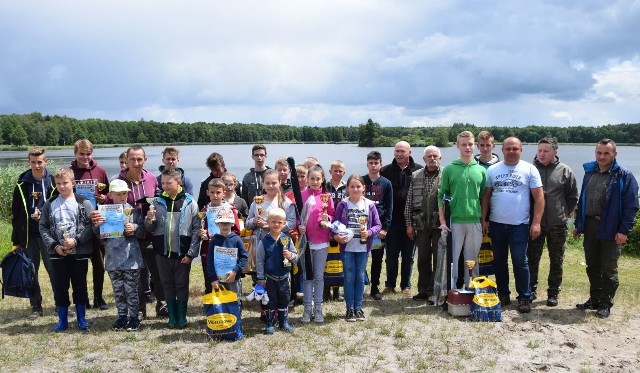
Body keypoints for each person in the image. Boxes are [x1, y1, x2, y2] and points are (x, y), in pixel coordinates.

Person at [573, 138, 638, 318]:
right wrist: (579, 224)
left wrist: (624, 230)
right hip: (591, 224)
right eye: (599, 153)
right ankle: (594, 299)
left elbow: (631, 206)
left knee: (609, 269)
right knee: (592, 265)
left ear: (615, 154)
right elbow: (583, 200)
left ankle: (605, 303)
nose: (602, 156)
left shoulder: (624, 176)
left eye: (606, 153)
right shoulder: (589, 172)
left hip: (611, 226)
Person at [481, 137, 544, 314]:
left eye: (515, 149)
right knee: (499, 261)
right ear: (502, 150)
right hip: (496, 224)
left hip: (519, 225)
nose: (511, 152)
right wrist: (483, 219)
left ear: (521, 150)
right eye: (508, 148)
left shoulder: (530, 169)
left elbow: (539, 197)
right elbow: (486, 196)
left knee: (519, 260)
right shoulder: (493, 170)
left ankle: (524, 297)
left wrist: (536, 222)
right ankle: (503, 294)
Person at [39, 167, 95, 332]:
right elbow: (43, 227)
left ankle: (81, 318)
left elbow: (91, 226)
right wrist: (54, 246)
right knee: (60, 286)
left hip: (79, 252)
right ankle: (62, 320)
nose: (62, 186)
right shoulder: (50, 204)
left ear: (73, 183)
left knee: (80, 285)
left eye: (65, 183)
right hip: (57, 253)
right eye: (58, 183)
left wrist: (77, 240)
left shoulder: (83, 202)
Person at [145, 167, 201, 329]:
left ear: (179, 182)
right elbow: (149, 228)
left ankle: (181, 316)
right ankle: (172, 316)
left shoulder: (190, 202)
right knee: (166, 284)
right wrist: (149, 220)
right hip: (162, 253)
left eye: (168, 183)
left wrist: (191, 253)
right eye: (162, 183)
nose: (165, 186)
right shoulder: (156, 202)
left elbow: (196, 230)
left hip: (182, 254)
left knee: (182, 284)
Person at [527, 137, 578, 307]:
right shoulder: (530, 169)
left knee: (557, 260)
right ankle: (531, 290)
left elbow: (572, 197)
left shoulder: (565, 171)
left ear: (555, 152)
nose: (541, 154)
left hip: (558, 224)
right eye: (539, 150)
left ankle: (553, 292)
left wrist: (562, 213)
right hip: (535, 224)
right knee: (532, 259)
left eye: (545, 151)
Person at [92, 179, 146, 331]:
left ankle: (134, 318)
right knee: (119, 291)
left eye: (125, 194)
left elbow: (143, 233)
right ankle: (122, 316)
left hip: (131, 259)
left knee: (131, 291)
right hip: (112, 259)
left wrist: (134, 228)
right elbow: (98, 234)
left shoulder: (134, 211)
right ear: (110, 195)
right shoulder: (104, 212)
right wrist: (96, 225)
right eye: (118, 194)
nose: (122, 197)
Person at [116, 146, 165, 318]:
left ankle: (162, 304)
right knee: (136, 274)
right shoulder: (118, 180)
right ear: (126, 160)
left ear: (145, 159)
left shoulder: (152, 178)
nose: (136, 163)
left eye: (139, 159)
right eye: (132, 159)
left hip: (151, 234)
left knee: (157, 272)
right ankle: (139, 309)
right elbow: (111, 206)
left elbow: (159, 200)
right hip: (129, 236)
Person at [11, 146, 57, 318]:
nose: (37, 166)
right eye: (33, 162)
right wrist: (16, 239)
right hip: (29, 235)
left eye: (40, 162)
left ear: (46, 161)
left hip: (50, 234)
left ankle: (61, 303)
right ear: (28, 162)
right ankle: (36, 306)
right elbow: (16, 213)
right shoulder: (22, 183)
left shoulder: (53, 181)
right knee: (31, 270)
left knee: (54, 269)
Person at [245, 169, 297, 321]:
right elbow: (248, 223)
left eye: (274, 182)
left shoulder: (286, 202)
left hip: (280, 245)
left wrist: (270, 227)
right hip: (261, 244)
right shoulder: (257, 201)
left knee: (279, 278)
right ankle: (265, 309)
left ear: (280, 183)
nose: (271, 185)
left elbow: (292, 223)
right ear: (263, 184)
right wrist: (254, 221)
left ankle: (279, 311)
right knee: (260, 276)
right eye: (267, 183)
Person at [438, 132, 486, 289]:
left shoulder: (481, 170)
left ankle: (472, 290)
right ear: (457, 145)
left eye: (470, 144)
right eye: (464, 144)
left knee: (472, 260)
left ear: (475, 145)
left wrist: (483, 219)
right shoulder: (449, 169)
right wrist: (443, 221)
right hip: (455, 222)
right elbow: (441, 196)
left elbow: (483, 197)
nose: (467, 147)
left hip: (474, 221)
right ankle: (451, 292)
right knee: (452, 260)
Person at [333, 174, 382, 322]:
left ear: (363, 188)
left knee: (360, 277)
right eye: (352, 186)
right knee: (349, 278)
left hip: (362, 248)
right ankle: (349, 308)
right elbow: (334, 224)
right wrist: (336, 236)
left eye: (358, 186)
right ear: (347, 188)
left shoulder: (370, 204)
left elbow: (378, 225)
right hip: (347, 247)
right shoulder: (343, 204)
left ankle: (358, 307)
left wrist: (369, 233)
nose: (355, 189)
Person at [70, 139, 110, 310]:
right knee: (79, 265)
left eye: (88, 154)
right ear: (75, 153)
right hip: (77, 225)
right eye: (81, 154)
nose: (85, 157)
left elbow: (109, 194)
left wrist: (104, 198)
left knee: (99, 264)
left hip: (98, 224)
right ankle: (82, 298)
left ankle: (98, 297)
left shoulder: (100, 171)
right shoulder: (70, 172)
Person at [381, 141, 423, 296]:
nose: (399, 154)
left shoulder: (419, 170)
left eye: (402, 151)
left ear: (409, 152)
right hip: (391, 221)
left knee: (408, 256)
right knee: (391, 256)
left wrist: (413, 222)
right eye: (397, 151)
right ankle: (390, 284)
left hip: (411, 222)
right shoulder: (385, 171)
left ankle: (406, 285)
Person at [405, 146, 442, 304]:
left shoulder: (446, 174)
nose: (432, 158)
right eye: (429, 156)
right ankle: (423, 290)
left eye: (435, 156)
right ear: (424, 159)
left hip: (440, 225)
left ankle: (435, 291)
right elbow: (409, 201)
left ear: (440, 158)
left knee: (439, 258)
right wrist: (409, 223)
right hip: (420, 224)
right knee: (423, 259)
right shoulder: (415, 175)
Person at [298, 165, 334, 323]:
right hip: (306, 243)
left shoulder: (327, 197)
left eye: (318, 178)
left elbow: (333, 215)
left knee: (319, 277)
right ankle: (307, 309)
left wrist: (328, 220)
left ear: (322, 180)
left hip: (321, 242)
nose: (314, 181)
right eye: (311, 178)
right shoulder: (301, 195)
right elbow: (297, 216)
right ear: (307, 179)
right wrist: (299, 225)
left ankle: (318, 308)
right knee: (307, 277)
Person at [256, 207, 299, 334]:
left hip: (285, 276)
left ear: (284, 223)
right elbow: (259, 261)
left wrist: (290, 256)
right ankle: (270, 323)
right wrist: (260, 278)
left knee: (284, 299)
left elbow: (296, 258)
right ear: (268, 222)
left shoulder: (287, 239)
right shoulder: (264, 242)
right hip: (269, 278)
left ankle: (283, 322)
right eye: (273, 222)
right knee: (270, 301)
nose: (276, 224)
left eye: (279, 222)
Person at [198, 178, 240, 294]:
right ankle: (213, 309)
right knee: (210, 281)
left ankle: (232, 306)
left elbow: (237, 231)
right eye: (212, 192)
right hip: (208, 250)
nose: (215, 195)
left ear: (224, 193)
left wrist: (225, 235)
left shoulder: (230, 209)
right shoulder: (204, 211)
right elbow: (200, 229)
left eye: (218, 192)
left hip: (226, 252)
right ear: (207, 193)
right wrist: (202, 234)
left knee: (228, 284)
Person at [363, 151, 393, 300]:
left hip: (377, 230)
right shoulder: (361, 181)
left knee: (377, 259)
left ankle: (374, 287)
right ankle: (360, 285)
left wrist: (385, 228)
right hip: (361, 229)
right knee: (360, 258)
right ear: (367, 164)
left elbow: (389, 207)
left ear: (381, 164)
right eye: (371, 163)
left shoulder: (386, 183)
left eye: (376, 163)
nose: (373, 166)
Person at [207, 207, 248, 305]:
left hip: (233, 278)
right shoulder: (214, 241)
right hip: (218, 278)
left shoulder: (237, 239)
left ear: (232, 224)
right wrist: (213, 278)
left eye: (227, 223)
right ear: (217, 224)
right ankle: (224, 319)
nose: (225, 225)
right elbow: (210, 261)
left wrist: (235, 271)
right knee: (221, 302)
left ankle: (236, 318)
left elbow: (244, 257)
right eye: (222, 223)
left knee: (234, 300)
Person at [325, 160, 347, 302]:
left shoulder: (347, 187)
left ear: (344, 172)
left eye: (340, 171)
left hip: (342, 226)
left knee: (338, 258)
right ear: (330, 172)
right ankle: (326, 290)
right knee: (326, 258)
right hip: (326, 225)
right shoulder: (324, 187)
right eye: (335, 170)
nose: (338, 173)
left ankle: (337, 290)